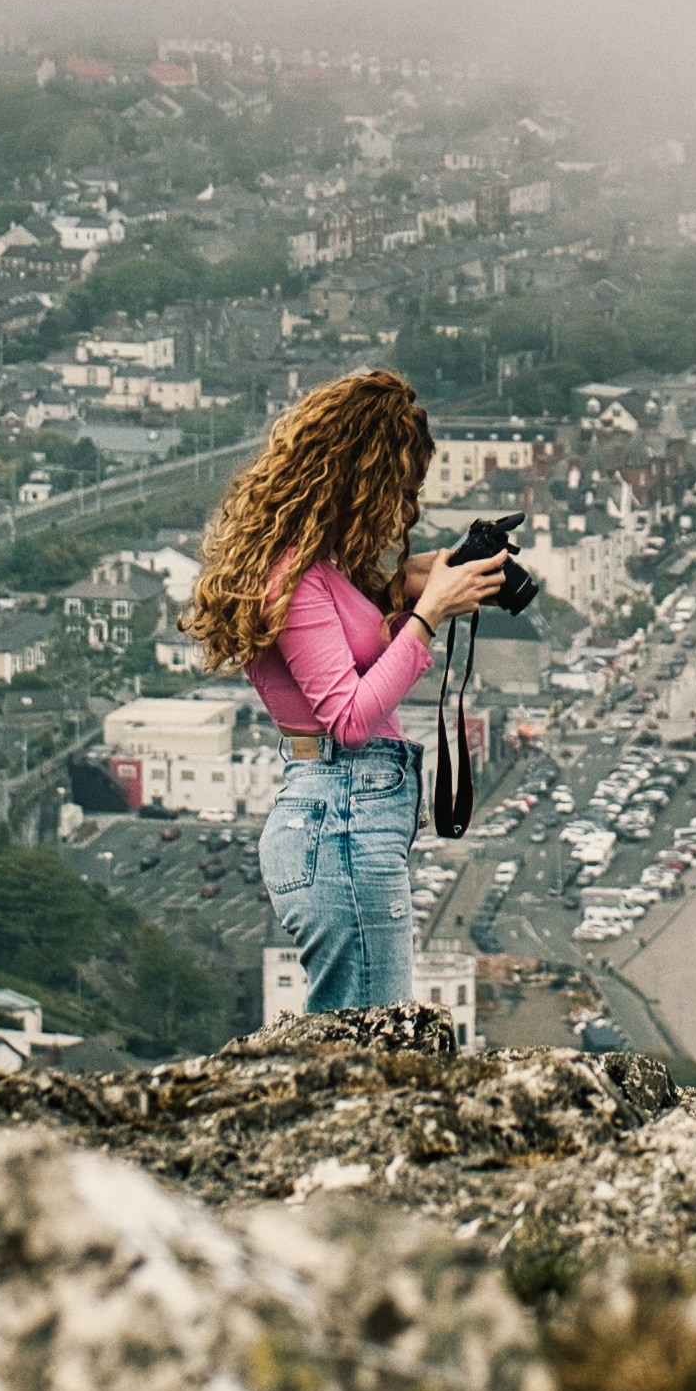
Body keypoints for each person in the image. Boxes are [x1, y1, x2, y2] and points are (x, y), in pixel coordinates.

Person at [184, 366, 504, 1013]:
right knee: (367, 1039)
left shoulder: (316, 569)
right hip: (341, 816)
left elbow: (340, 654)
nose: (400, 509)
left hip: (347, 817)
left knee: (363, 1028)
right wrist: (428, 614)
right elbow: (350, 717)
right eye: (396, 488)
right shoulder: (294, 577)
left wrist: (401, 588)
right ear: (361, 477)